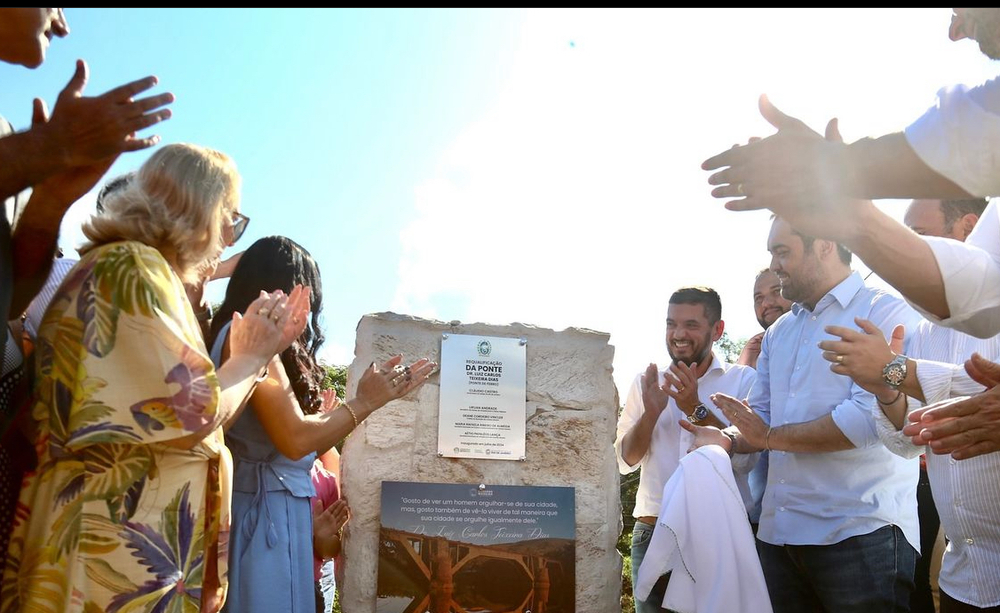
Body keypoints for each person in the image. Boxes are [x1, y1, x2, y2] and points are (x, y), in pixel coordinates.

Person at [0, 143, 305, 612]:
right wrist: (250, 357)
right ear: (202, 210)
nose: (227, 238)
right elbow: (193, 415)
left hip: (110, 540)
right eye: (233, 219)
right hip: (111, 552)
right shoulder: (134, 270)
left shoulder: (128, 268)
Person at [701, 9, 1000, 459]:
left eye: (963, 10)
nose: (955, 31)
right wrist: (851, 209)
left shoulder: (886, 310)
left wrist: (838, 173)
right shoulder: (783, 334)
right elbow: (977, 301)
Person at [686, 216, 923, 613]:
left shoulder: (884, 313)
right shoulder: (779, 332)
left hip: (859, 536)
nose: (775, 265)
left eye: (783, 252)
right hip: (779, 538)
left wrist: (768, 437)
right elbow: (758, 417)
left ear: (826, 244)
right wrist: (726, 438)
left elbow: (867, 422)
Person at [207, 235, 435, 613]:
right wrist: (366, 403)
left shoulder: (238, 337)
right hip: (263, 523)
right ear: (284, 287)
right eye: (306, 292)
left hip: (274, 516)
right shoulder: (246, 340)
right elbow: (295, 440)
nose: (310, 307)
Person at [615, 286, 755, 613]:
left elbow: (748, 459)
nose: (678, 334)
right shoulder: (645, 382)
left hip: (721, 534)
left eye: (691, 325)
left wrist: (694, 406)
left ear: (717, 330)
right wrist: (651, 413)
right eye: (671, 324)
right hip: (654, 531)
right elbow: (625, 461)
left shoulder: (744, 381)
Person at [738, 268, 793, 369]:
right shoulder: (754, 353)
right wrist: (746, 367)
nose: (766, 303)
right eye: (759, 298)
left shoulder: (822, 337)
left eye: (777, 291)